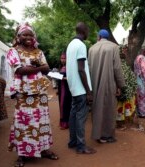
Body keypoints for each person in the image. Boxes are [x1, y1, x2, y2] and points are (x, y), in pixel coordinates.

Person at [6, 23, 58, 167]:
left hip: (40, 92)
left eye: (30, 34)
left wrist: (33, 68)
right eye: (25, 34)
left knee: (42, 120)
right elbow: (20, 71)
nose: (28, 37)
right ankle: (22, 154)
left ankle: (44, 149)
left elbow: (47, 68)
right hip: (23, 92)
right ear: (19, 36)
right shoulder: (13, 51)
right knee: (23, 122)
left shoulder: (39, 51)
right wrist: (38, 68)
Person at [88, 29, 125, 143]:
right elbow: (117, 68)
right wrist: (121, 85)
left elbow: (88, 68)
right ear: (107, 37)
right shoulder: (114, 47)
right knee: (108, 109)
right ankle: (107, 135)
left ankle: (98, 134)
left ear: (99, 37)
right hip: (108, 82)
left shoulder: (91, 49)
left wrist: (89, 87)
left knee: (97, 108)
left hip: (94, 83)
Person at [66, 22, 96, 154]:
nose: (88, 32)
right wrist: (88, 91)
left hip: (73, 87)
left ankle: (73, 142)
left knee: (73, 115)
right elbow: (81, 69)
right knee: (80, 117)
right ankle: (81, 146)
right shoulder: (81, 45)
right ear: (84, 30)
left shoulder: (70, 45)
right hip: (81, 89)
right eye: (88, 29)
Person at [116, 45, 137, 130]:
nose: (125, 52)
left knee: (125, 106)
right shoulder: (118, 64)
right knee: (120, 107)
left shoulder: (124, 63)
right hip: (122, 90)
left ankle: (124, 122)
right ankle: (120, 124)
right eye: (123, 50)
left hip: (127, 90)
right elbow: (121, 77)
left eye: (125, 50)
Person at [57, 52, 71, 130]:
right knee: (61, 105)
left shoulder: (69, 67)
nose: (62, 60)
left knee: (65, 105)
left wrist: (62, 78)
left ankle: (66, 123)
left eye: (64, 58)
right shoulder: (62, 67)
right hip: (61, 89)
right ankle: (63, 122)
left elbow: (70, 78)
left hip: (66, 89)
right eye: (61, 58)